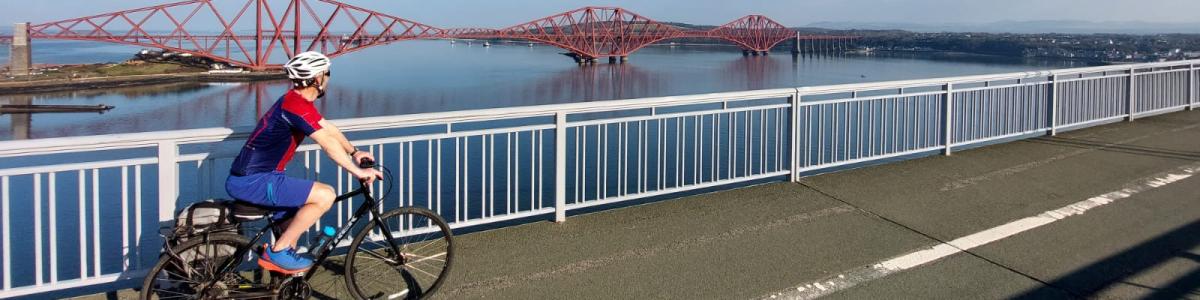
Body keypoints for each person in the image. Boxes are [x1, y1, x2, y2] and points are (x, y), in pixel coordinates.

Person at [225, 51, 383, 274]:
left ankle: (282, 276)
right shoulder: (295, 106)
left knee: (292, 231)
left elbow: (328, 129)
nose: (328, 79)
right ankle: (277, 252)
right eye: (327, 74)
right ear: (318, 79)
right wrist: (358, 172)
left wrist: (354, 152)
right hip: (255, 180)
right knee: (325, 195)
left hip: (264, 177)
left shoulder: (296, 102)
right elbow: (327, 144)